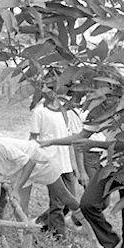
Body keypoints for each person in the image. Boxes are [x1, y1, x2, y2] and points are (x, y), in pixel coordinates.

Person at [39, 123, 124, 248]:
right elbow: (80, 137)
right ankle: (110, 240)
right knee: (88, 204)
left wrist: (93, 144)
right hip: (109, 167)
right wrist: (51, 142)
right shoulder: (101, 111)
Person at [0, 137, 82, 220]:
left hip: (39, 162)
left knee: (64, 196)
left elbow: (30, 162)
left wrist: (16, 189)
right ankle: (24, 237)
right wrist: (12, 187)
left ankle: (89, 221)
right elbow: (7, 175)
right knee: (20, 207)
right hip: (21, 170)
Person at [29, 99, 84, 238]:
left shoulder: (66, 111)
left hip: (66, 163)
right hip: (51, 162)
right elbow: (33, 138)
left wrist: (75, 165)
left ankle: (41, 223)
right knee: (57, 203)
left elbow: (71, 139)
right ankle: (58, 236)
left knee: (70, 201)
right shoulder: (39, 111)